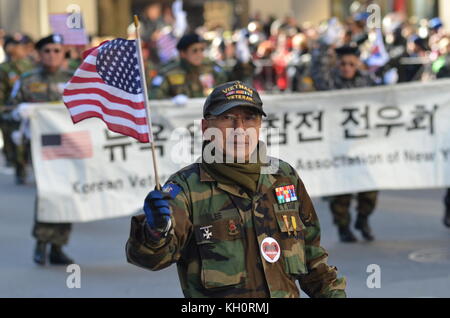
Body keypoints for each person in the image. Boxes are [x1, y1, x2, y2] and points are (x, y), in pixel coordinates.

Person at [126, 80, 346, 298]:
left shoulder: (283, 177)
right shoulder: (186, 188)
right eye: (227, 118)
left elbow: (312, 257)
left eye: (249, 118)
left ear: (259, 125)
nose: (239, 129)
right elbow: (152, 258)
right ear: (206, 128)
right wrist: (156, 232)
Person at [8, 34, 74, 265]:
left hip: (71, 145)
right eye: (47, 51)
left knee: (67, 193)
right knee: (48, 193)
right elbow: (8, 108)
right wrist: (19, 113)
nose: (52, 55)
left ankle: (57, 245)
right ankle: (41, 243)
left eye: (57, 50)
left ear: (63, 53)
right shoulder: (27, 80)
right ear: (39, 54)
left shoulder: (74, 79)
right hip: (40, 147)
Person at [312, 45, 378, 243]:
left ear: (357, 63)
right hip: (337, 143)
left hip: (362, 142)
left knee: (370, 188)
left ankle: (363, 219)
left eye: (351, 64)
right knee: (341, 190)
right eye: (342, 64)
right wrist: (323, 46)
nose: (347, 68)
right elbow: (316, 72)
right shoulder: (330, 81)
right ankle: (343, 227)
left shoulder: (367, 81)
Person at [150, 33, 228, 100]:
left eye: (202, 50)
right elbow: (155, 96)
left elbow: (226, 88)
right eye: (195, 51)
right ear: (183, 53)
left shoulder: (210, 68)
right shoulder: (169, 72)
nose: (200, 54)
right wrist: (172, 100)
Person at [0, 34, 35, 167]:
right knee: (14, 141)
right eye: (18, 46)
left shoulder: (30, 65)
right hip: (11, 109)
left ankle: (28, 163)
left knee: (29, 140)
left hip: (29, 108)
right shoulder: (4, 68)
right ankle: (18, 167)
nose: (21, 49)